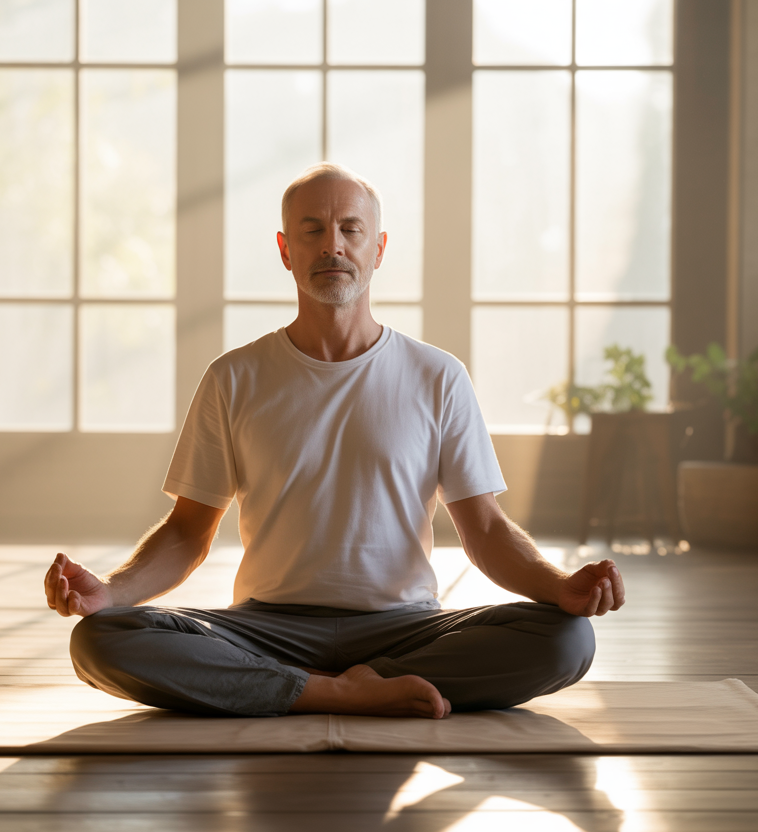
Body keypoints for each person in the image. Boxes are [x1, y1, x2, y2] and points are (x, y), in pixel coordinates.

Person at [45, 162, 624, 719]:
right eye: (312, 230)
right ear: (285, 250)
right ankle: (336, 693)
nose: (333, 246)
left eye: (350, 229)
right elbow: (187, 532)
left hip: (406, 626)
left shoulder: (437, 376)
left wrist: (560, 587)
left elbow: (487, 530)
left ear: (378, 248)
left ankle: (309, 690)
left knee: (566, 638)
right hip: (267, 628)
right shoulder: (234, 377)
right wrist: (111, 592)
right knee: (102, 639)